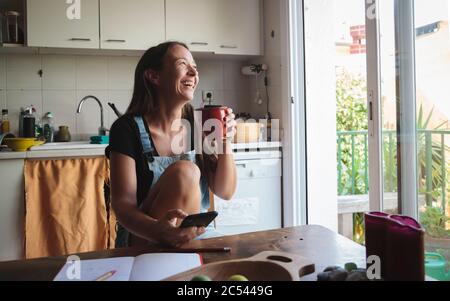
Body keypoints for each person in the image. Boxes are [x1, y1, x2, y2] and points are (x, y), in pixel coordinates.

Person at [108, 41, 237, 248]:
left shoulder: (198, 124)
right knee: (185, 172)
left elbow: (225, 191)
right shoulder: (126, 129)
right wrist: (157, 229)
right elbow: (123, 207)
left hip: (194, 236)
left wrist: (225, 140)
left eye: (194, 66)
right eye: (182, 64)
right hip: (144, 237)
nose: (194, 72)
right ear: (154, 76)